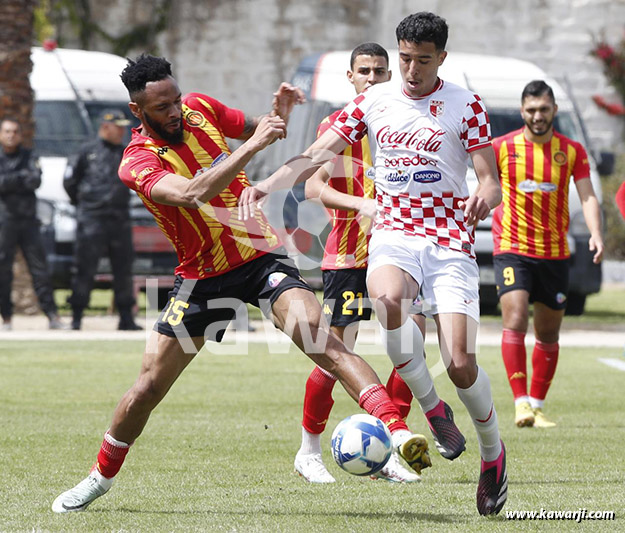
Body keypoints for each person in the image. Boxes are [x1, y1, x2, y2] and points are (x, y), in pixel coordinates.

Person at [51, 54, 430, 514]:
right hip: (201, 279)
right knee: (148, 387)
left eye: (176, 99)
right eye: (162, 108)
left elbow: (257, 125)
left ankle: (396, 430)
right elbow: (194, 194)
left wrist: (280, 113)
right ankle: (99, 477)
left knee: (324, 342)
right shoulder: (137, 161)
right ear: (138, 112)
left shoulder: (201, 108)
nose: (176, 112)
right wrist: (251, 146)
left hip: (260, 258)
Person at [240, 12, 507, 516]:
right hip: (396, 233)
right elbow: (318, 152)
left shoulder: (466, 104)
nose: (410, 70)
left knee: (461, 361)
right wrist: (265, 183)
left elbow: (488, 179)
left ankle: (493, 456)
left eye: (422, 61)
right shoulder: (372, 101)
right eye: (404, 58)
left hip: (450, 238)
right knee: (385, 299)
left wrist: (484, 200)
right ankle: (431, 407)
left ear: (441, 59)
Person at [295, 42, 420, 484]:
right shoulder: (337, 126)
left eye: (380, 70)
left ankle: (389, 449)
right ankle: (308, 451)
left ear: (391, 75)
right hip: (348, 257)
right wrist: (362, 204)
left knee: (412, 344)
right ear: (350, 77)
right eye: (363, 70)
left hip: (402, 254)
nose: (372, 77)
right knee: (336, 354)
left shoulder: (406, 123)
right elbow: (313, 187)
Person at [492, 80, 604, 429]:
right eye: (531, 110)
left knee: (549, 332)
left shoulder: (571, 151)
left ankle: (538, 405)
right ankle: (520, 402)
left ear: (554, 110)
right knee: (515, 319)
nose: (537, 116)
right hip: (512, 247)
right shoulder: (501, 147)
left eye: (543, 109)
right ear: (522, 111)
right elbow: (484, 185)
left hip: (555, 252)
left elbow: (587, 196)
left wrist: (597, 233)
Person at [64, 109, 141, 331]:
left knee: (123, 268)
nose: (122, 131)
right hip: (92, 219)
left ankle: (126, 317)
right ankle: (77, 316)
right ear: (105, 127)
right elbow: (70, 182)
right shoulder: (86, 151)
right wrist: (85, 205)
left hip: (119, 219)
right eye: (119, 127)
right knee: (84, 268)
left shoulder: (124, 152)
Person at [0, 117, 64, 330]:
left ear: (20, 134)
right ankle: (6, 318)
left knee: (40, 270)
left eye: (15, 131)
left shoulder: (29, 156)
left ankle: (52, 316)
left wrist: (9, 180)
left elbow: (34, 180)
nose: (11, 135)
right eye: (7, 131)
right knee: (3, 271)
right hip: (4, 223)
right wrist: (19, 179)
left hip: (28, 222)